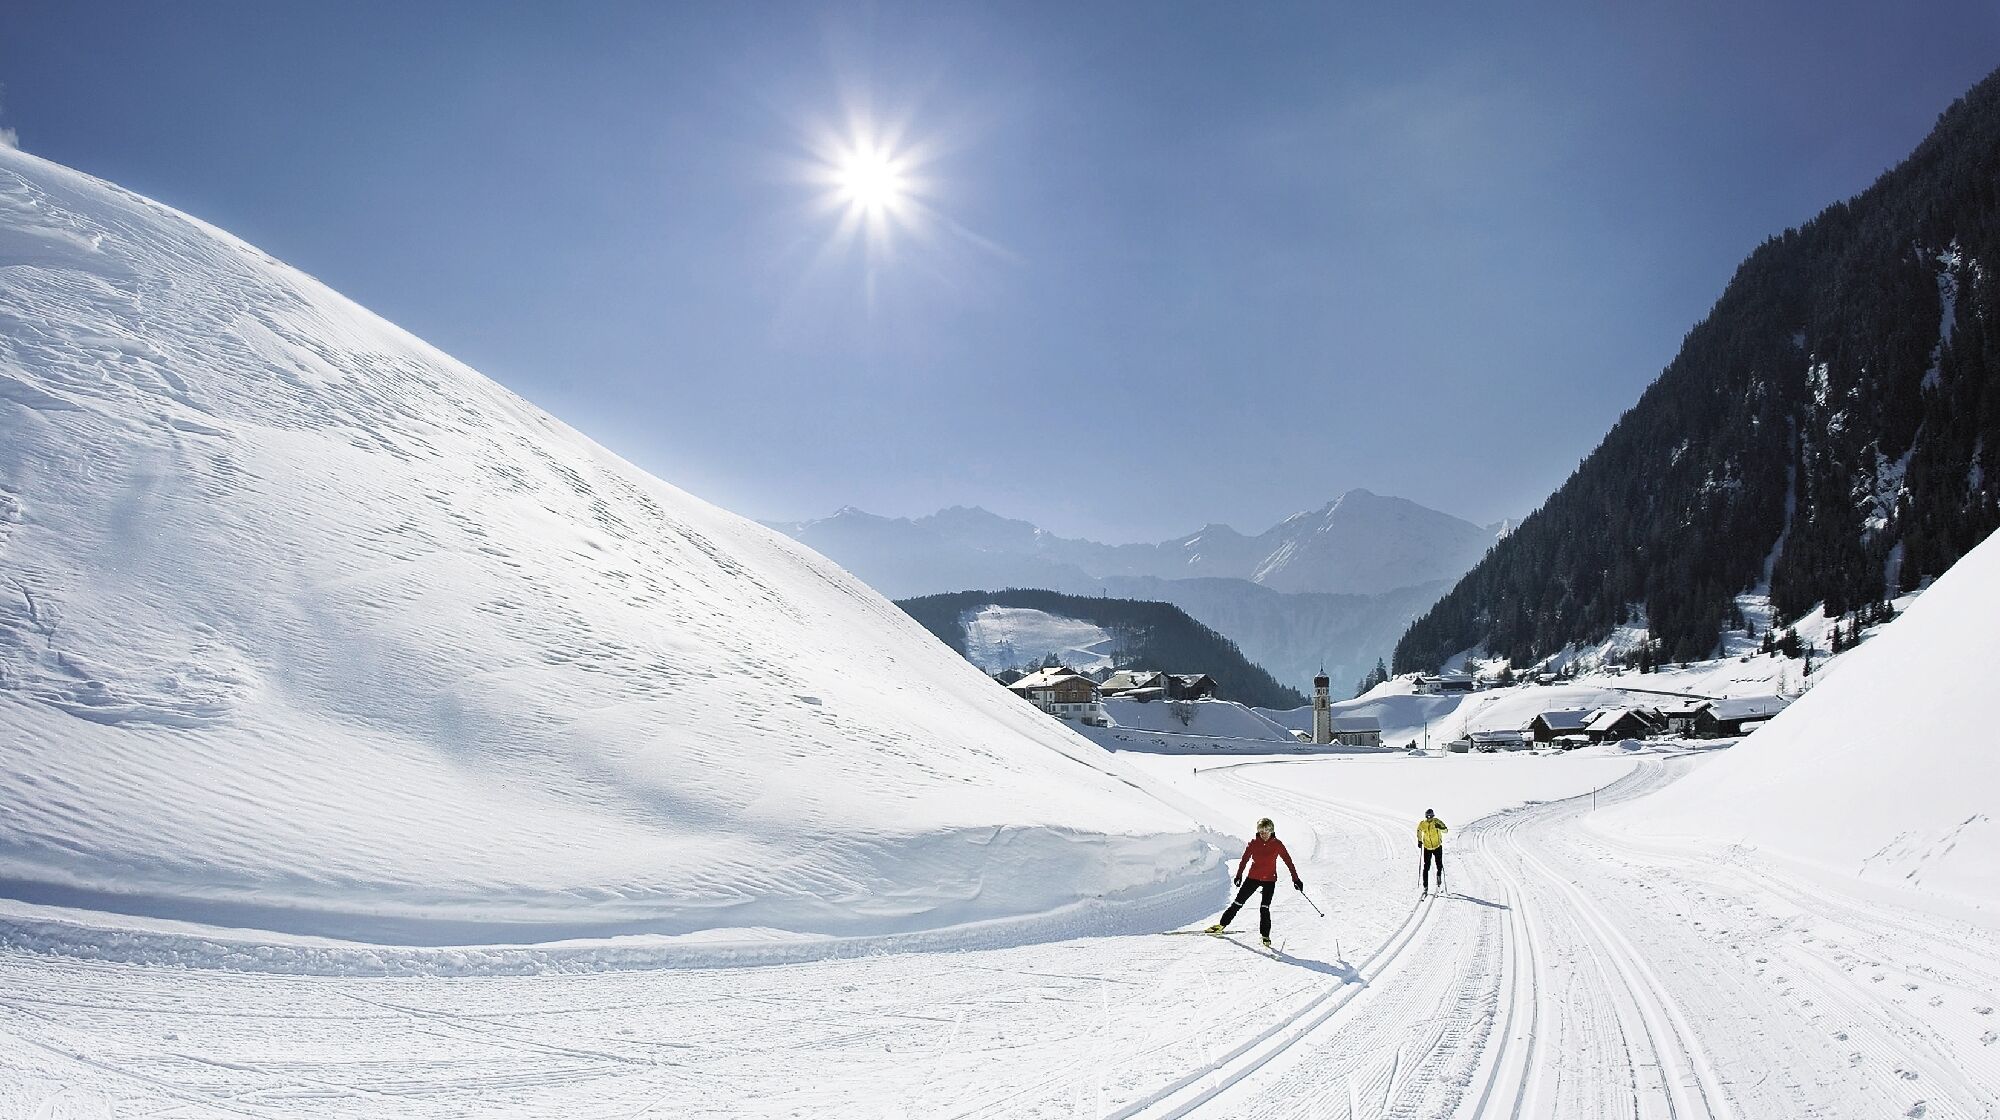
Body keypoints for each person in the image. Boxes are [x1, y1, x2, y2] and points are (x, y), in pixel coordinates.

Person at [1205, 817, 1303, 946]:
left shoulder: (1277, 844)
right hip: (1253, 878)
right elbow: (1244, 860)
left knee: (1264, 908)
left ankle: (1265, 936)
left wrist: (1295, 879)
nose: (1263, 833)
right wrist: (1239, 875)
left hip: (1269, 880)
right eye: (1260, 830)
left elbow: (1288, 862)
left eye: (1266, 830)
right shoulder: (1253, 843)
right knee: (1237, 903)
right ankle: (1221, 925)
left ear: (1271, 830)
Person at [1418, 808, 1448, 895]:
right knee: (1426, 867)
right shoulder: (1423, 823)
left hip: (1437, 846)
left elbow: (1446, 830)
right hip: (1427, 847)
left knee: (1439, 865)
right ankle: (1425, 886)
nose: (1429, 818)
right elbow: (1419, 831)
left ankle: (1439, 881)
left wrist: (1440, 827)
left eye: (1431, 816)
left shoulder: (1437, 822)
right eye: (1427, 816)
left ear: (1433, 816)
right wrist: (1419, 840)